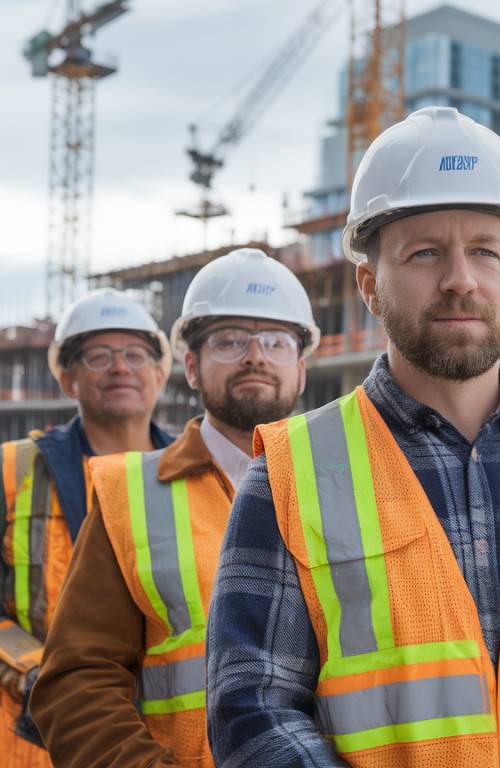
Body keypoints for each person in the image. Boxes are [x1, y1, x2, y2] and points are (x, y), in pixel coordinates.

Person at [206, 106, 500, 767]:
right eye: (426, 252)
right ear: (370, 285)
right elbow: (252, 705)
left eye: (485, 251)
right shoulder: (291, 472)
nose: (460, 278)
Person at [30, 248, 319, 768]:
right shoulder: (130, 496)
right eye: (229, 341)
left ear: (300, 369)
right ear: (190, 365)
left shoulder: (343, 484)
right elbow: (77, 682)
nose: (254, 356)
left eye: (276, 341)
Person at [0, 289, 172, 766]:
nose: (120, 367)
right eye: (98, 356)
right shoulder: (11, 470)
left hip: (155, 742)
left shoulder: (191, 475)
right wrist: (39, 673)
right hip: (30, 740)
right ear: (66, 378)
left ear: (160, 373)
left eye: (135, 354)